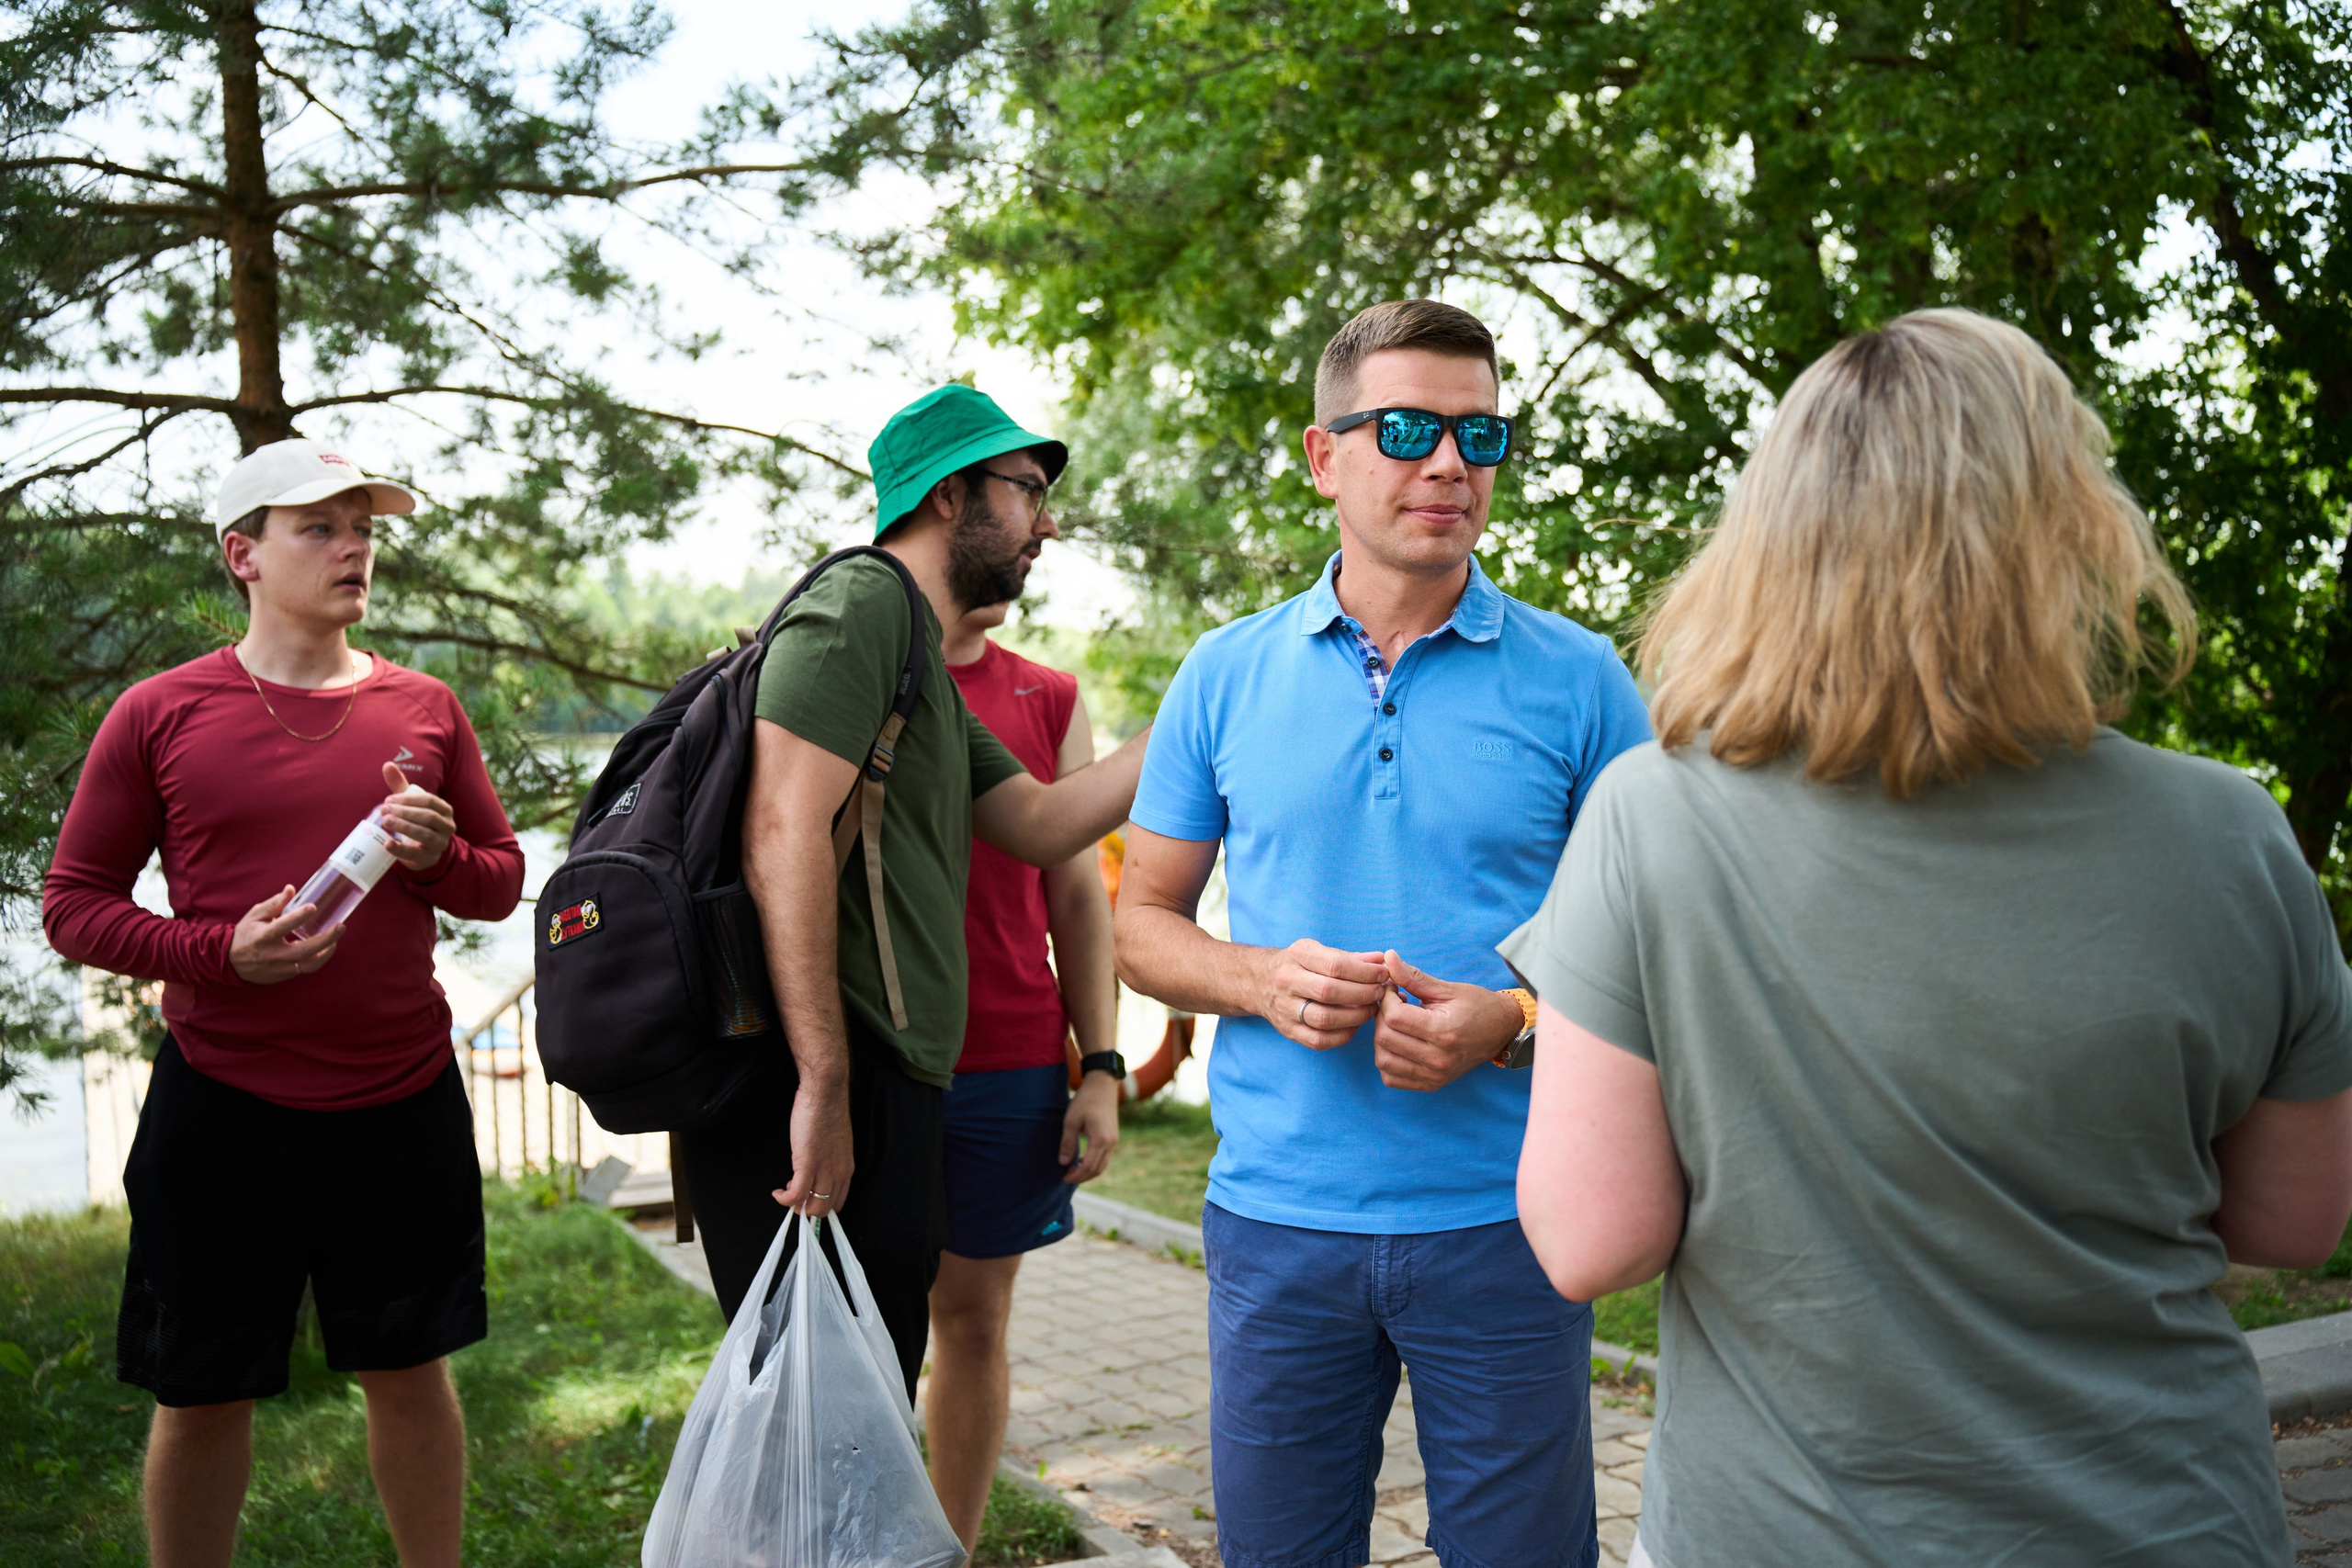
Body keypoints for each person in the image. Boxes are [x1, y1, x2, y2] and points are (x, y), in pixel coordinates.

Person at [1504, 307, 2352, 1568]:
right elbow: (2294, 1220)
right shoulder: (2229, 829)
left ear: (1771, 540)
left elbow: (1593, 1237)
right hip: (2166, 1521)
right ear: (2065, 523)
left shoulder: (1652, 814)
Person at [1114, 299, 1652, 1568]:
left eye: (1481, 433)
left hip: (1513, 1222)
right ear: (1323, 456)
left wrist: (1515, 1020)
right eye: (1408, 427)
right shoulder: (1224, 673)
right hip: (1277, 1224)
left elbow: (1661, 946)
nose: (1450, 462)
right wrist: (1253, 977)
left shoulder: (1582, 681)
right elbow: (1139, 923)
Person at [43, 440, 525, 1568]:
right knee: (202, 1391)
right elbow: (74, 906)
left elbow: (498, 881)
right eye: (319, 526)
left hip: (401, 1099)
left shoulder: (425, 706)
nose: (354, 545)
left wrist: (439, 857)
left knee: (409, 1373)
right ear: (241, 553)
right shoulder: (158, 712)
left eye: (363, 526)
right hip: (222, 1104)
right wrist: (217, 953)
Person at [674, 384, 1149, 1404]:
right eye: (1027, 491)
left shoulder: (916, 660)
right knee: (816, 1413)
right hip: (819, 1083)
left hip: (886, 1084)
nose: (1047, 522)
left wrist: (1206, 701)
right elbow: (780, 830)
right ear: (947, 495)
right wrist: (824, 1082)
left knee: (863, 1407)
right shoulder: (861, 606)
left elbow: (1043, 822)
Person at [926, 595, 1124, 1550]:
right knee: (853, 1335)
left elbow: (1079, 891)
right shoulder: (847, 672)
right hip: (871, 1064)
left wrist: (1104, 1067)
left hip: (1011, 1062)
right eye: (1018, 500)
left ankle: (944, 1551)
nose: (1039, 530)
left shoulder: (1046, 696)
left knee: (970, 1325)